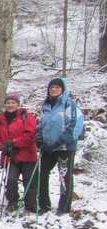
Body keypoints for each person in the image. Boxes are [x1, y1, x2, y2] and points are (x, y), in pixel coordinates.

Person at [36, 78, 84, 215]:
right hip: (47, 147)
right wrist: (39, 141)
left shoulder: (69, 105)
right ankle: (44, 204)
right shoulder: (46, 106)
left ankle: (64, 207)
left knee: (64, 176)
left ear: (63, 89)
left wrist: (59, 141)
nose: (53, 89)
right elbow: (41, 126)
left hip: (64, 148)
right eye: (51, 87)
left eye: (57, 87)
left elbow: (75, 126)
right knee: (42, 174)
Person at [0, 93, 38, 213]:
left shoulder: (27, 116)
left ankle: (31, 205)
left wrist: (13, 143)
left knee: (29, 181)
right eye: (8, 103)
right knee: (11, 180)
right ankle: (12, 202)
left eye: (13, 103)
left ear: (18, 104)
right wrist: (2, 147)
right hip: (11, 156)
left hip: (27, 155)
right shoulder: (1, 119)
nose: (10, 105)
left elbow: (30, 135)